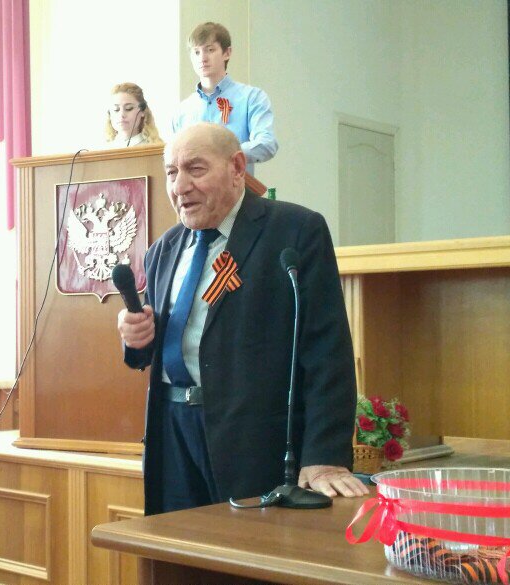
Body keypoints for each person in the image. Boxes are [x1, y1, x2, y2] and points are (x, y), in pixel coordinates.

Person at [116, 123, 366, 515]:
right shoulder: (163, 249)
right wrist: (136, 337)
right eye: (171, 172)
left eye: (195, 169)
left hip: (252, 444)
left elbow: (327, 352)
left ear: (236, 167)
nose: (179, 186)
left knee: (246, 550)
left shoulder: (295, 232)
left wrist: (324, 456)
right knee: (180, 549)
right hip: (172, 435)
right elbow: (167, 341)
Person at [172, 22, 278, 177]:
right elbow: (172, 159)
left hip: (236, 186)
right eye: (196, 52)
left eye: (210, 50)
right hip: (192, 189)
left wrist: (223, 155)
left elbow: (267, 144)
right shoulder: (182, 111)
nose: (202, 58)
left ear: (227, 53)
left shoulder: (251, 98)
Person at [102, 82, 162, 148]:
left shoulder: (155, 149)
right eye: (116, 109)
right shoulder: (103, 149)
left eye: (129, 108)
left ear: (142, 110)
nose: (121, 115)